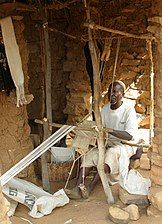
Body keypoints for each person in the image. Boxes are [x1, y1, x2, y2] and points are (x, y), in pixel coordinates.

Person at [66, 80, 139, 199]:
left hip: (126, 145)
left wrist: (109, 130)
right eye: (110, 92)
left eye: (116, 92)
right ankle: (77, 187)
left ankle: (89, 188)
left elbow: (129, 136)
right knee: (91, 154)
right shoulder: (105, 109)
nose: (112, 95)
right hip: (108, 143)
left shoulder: (128, 109)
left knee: (110, 154)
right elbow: (100, 130)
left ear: (123, 94)